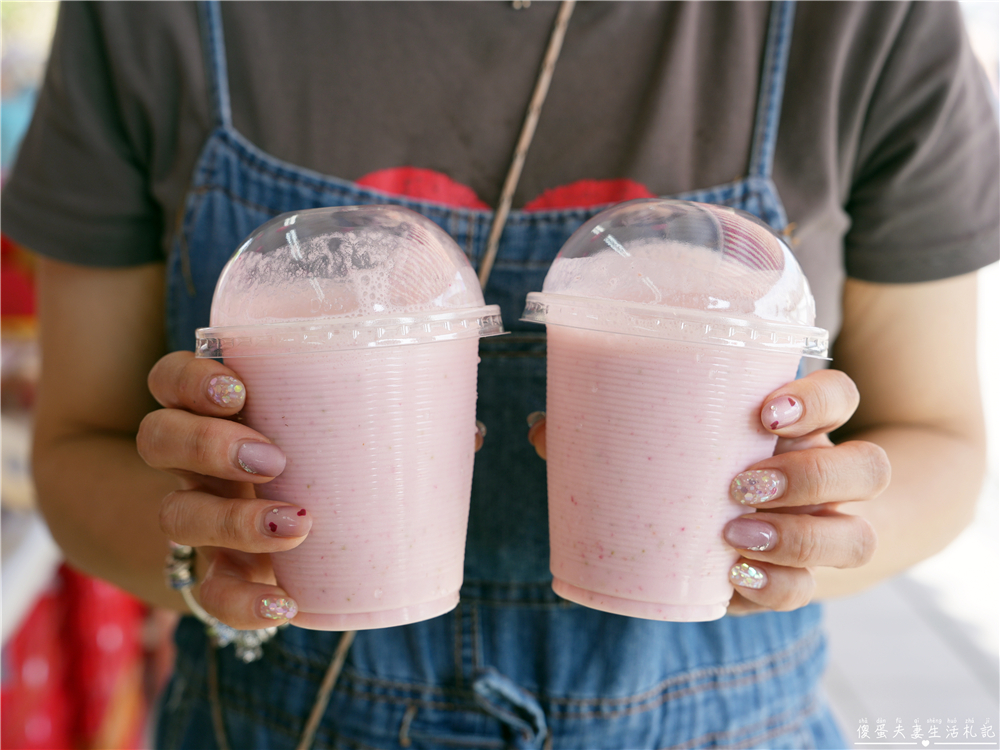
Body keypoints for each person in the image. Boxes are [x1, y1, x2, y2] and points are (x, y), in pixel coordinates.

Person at [3, 1, 997, 748]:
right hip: (284, 717)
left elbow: (939, 435)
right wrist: (207, 553)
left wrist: (800, 530)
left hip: (730, 720)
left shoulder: (868, 17)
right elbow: (79, 451)